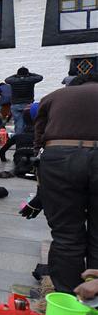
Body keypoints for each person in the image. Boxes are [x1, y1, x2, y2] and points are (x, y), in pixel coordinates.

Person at [33, 72, 98, 296]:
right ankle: (95, 295)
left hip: (60, 158)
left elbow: (39, 137)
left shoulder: (54, 96)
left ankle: (69, 298)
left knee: (66, 234)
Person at [5, 67, 43, 132]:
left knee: (18, 123)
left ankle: (19, 138)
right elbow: (40, 77)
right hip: (28, 104)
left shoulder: (13, 81)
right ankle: (28, 136)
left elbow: (7, 79)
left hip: (16, 104)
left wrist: (16, 75)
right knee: (29, 122)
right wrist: (30, 74)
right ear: (27, 73)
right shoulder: (30, 80)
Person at [0, 109, 36, 176]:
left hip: (20, 155)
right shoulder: (40, 137)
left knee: (20, 159)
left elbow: (2, 151)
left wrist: (4, 160)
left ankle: (23, 162)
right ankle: (32, 162)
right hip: (33, 153)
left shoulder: (17, 136)